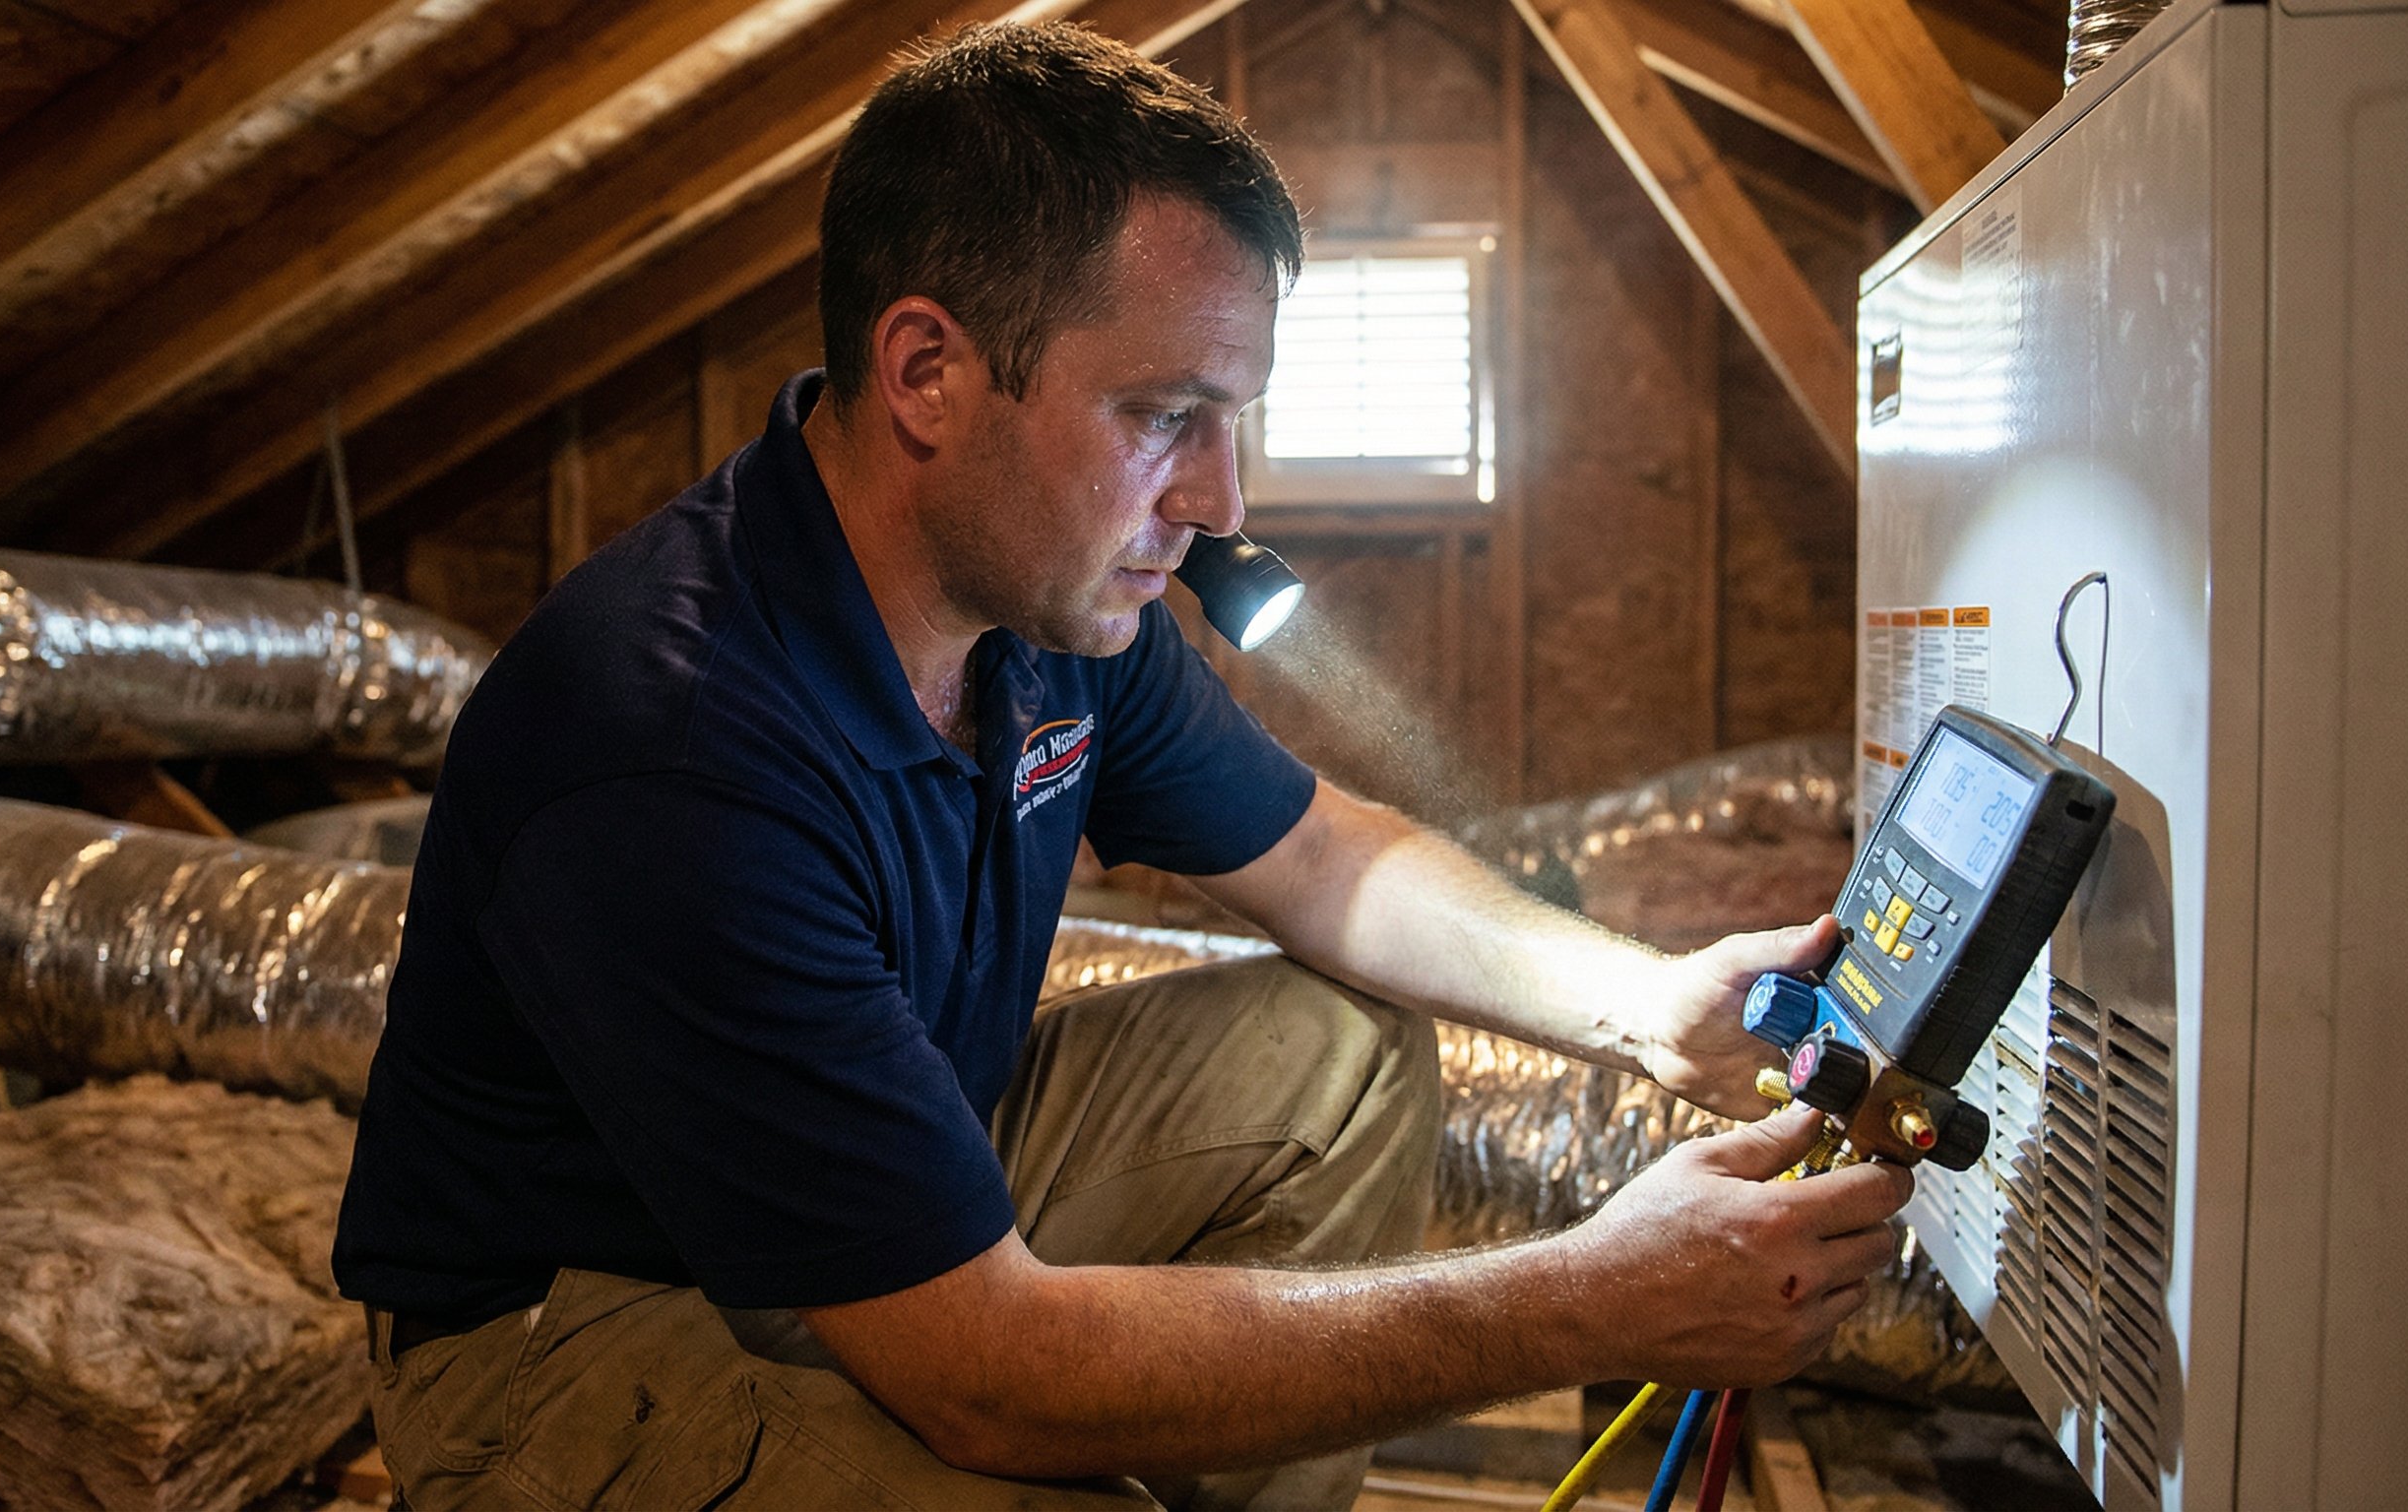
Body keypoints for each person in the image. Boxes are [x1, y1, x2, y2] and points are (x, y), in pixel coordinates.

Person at [332, 20, 1912, 1511]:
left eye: (1237, 418)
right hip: (581, 1322)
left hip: (867, 1225)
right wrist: (1594, 1302)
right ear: (928, 372)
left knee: (1342, 1051)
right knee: (1012, 1417)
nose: (1223, 501)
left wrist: (1641, 1004)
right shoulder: (672, 750)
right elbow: (992, 1374)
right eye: (1168, 415)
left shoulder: (1049, 617)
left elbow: (1324, 859)